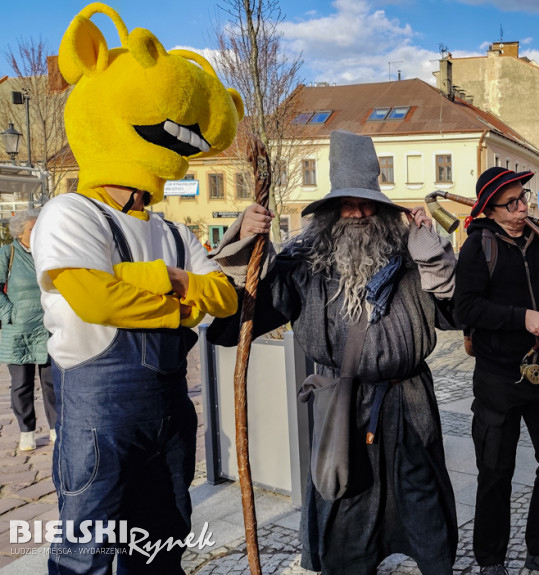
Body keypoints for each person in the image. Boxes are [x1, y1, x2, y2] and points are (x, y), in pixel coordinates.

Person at [32, 5, 244, 571]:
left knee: (164, 540)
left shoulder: (174, 229)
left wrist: (160, 281)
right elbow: (97, 299)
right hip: (98, 415)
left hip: (170, 412)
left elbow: (225, 297)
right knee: (89, 551)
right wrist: (181, 296)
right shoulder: (69, 212)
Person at [208, 130, 459, 575]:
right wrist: (243, 248)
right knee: (347, 507)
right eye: (348, 204)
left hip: (410, 403)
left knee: (424, 506)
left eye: (368, 204)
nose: (359, 213)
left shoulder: (408, 254)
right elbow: (234, 324)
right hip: (345, 409)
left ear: (383, 209)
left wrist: (435, 260)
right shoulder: (304, 264)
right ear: (329, 212)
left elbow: (455, 316)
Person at [455, 166, 539, 575]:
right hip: (498, 375)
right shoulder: (478, 246)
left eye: (523, 197)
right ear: (489, 210)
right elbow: (466, 308)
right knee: (495, 471)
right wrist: (522, 317)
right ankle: (491, 560)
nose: (522, 207)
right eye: (511, 203)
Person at [0, 209, 56, 452]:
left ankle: (56, 427)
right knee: (21, 384)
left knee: (52, 382)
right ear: (20, 232)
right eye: (33, 229)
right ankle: (27, 431)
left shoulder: (48, 251)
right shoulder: (6, 253)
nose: (38, 232)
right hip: (18, 329)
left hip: (47, 326)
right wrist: (8, 314)